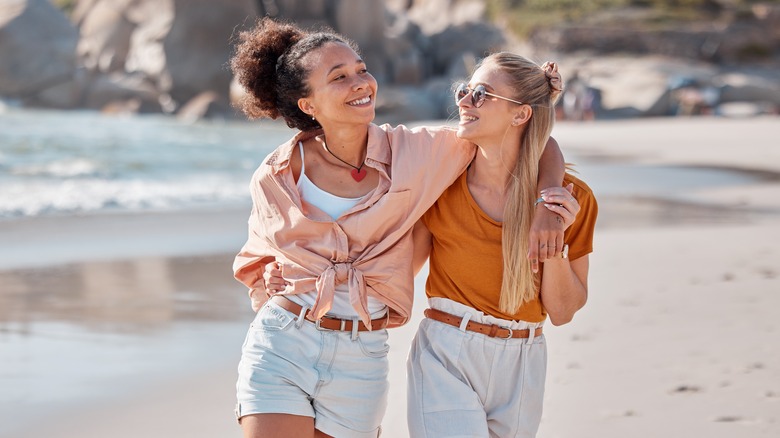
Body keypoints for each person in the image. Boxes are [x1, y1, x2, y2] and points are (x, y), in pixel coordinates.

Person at [230, 17, 567, 438]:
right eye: (339, 77)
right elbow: (256, 256)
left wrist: (547, 202)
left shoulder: (419, 153)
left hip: (362, 354)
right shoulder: (276, 175)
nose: (361, 82)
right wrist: (267, 278)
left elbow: (533, 133)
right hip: (284, 342)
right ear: (308, 104)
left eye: (361, 69)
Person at [406, 53, 598, 437]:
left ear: (520, 115)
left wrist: (554, 239)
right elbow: (400, 268)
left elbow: (561, 312)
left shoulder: (571, 199)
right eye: (464, 90)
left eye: (481, 94)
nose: (463, 101)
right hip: (446, 354)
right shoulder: (440, 185)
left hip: (524, 360)